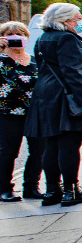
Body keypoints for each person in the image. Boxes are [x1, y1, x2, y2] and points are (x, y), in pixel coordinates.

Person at [25, 3, 82, 207]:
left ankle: (52, 191)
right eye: (77, 19)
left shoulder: (42, 38)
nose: (79, 23)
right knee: (70, 145)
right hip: (66, 96)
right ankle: (71, 191)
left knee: (52, 144)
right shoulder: (67, 38)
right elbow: (72, 72)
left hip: (46, 96)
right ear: (64, 20)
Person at [0, 21, 45, 201]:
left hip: (36, 111)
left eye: (21, 35)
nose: (17, 40)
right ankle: (4, 189)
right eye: (11, 36)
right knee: (8, 151)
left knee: (39, 150)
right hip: (8, 112)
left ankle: (31, 187)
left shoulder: (35, 59)